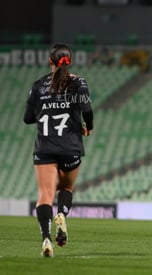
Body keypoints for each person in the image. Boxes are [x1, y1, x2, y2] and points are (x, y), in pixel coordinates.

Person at [23, 43, 94, 257]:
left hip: (45, 148)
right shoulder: (79, 83)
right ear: (70, 60)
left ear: (50, 61)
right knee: (66, 188)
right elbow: (87, 110)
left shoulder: (37, 86)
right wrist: (88, 127)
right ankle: (62, 213)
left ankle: (46, 238)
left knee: (45, 194)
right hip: (70, 147)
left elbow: (27, 119)